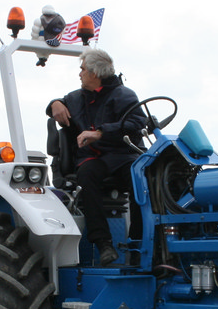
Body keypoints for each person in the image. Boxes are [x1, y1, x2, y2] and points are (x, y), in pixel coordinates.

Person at [46, 48, 148, 265]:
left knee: (140, 178)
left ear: (94, 73)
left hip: (123, 155)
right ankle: (104, 244)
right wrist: (54, 104)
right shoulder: (76, 98)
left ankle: (137, 244)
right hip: (94, 158)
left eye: (82, 69)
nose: (80, 73)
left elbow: (137, 124)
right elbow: (54, 106)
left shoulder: (125, 96)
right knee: (87, 174)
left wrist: (101, 132)